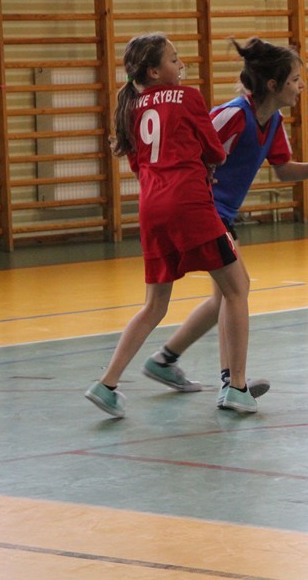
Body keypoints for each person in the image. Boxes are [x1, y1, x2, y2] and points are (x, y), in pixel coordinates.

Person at [139, 37, 308, 408]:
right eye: (295, 80)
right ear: (273, 85)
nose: (301, 86)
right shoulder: (233, 115)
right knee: (238, 288)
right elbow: (190, 149)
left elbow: (284, 170)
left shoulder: (272, 122)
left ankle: (165, 360)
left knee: (225, 295)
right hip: (203, 210)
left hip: (220, 213)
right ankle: (232, 385)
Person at [84, 33, 257, 417]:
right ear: (154, 70)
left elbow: (139, 164)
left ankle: (107, 383)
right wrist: (203, 164)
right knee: (236, 288)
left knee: (154, 305)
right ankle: (237, 386)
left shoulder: (131, 107)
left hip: (151, 207)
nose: (181, 65)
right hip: (190, 204)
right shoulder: (189, 97)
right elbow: (215, 150)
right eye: (174, 59)